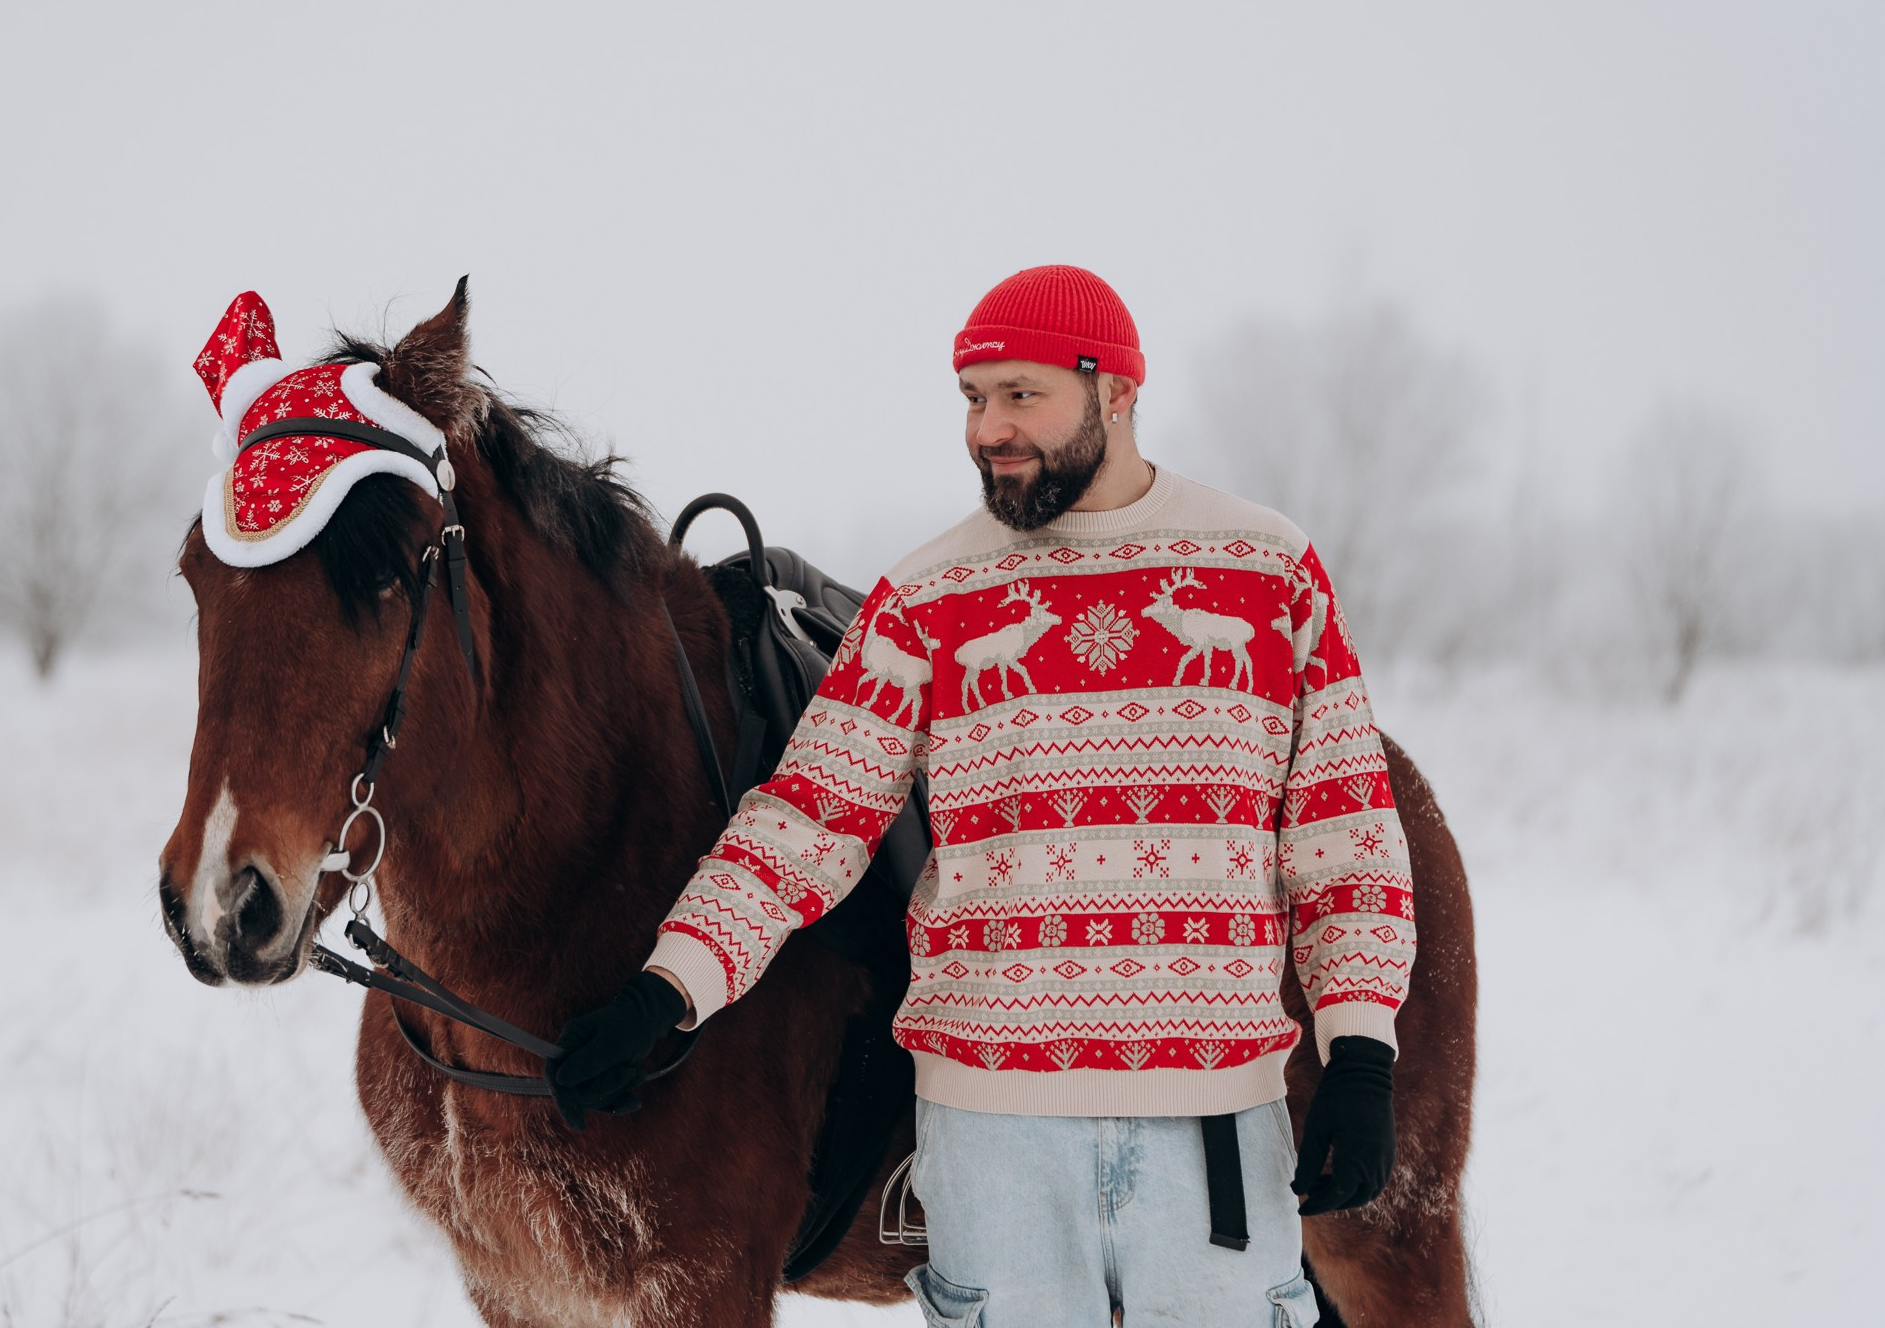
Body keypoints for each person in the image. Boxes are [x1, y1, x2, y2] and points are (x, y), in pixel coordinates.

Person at [551, 265, 1416, 1326]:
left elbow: (1344, 837)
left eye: (1020, 394)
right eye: (971, 397)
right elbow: (805, 821)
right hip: (991, 1140)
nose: (987, 429)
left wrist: (1361, 1054)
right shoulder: (928, 597)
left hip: (1213, 1124)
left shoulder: (1264, 568)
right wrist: (665, 987)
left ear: (1114, 393)